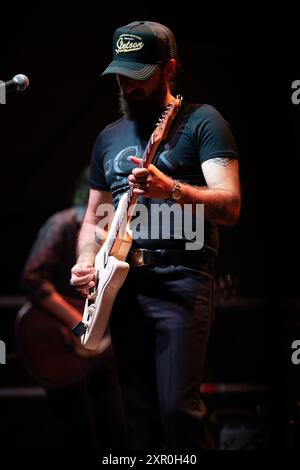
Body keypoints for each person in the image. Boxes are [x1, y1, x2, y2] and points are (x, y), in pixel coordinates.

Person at [70, 21, 241, 450]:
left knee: (177, 413)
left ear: (170, 69)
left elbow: (231, 205)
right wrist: (87, 260)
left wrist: (173, 189)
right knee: (138, 420)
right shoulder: (108, 137)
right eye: (122, 75)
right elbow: (93, 218)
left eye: (140, 75)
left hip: (181, 279)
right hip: (123, 286)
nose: (128, 85)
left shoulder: (202, 122)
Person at [20, 168, 125, 450]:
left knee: (114, 425)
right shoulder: (62, 224)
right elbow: (31, 279)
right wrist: (78, 323)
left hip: (99, 351)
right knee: (75, 430)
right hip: (59, 343)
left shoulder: (117, 233)